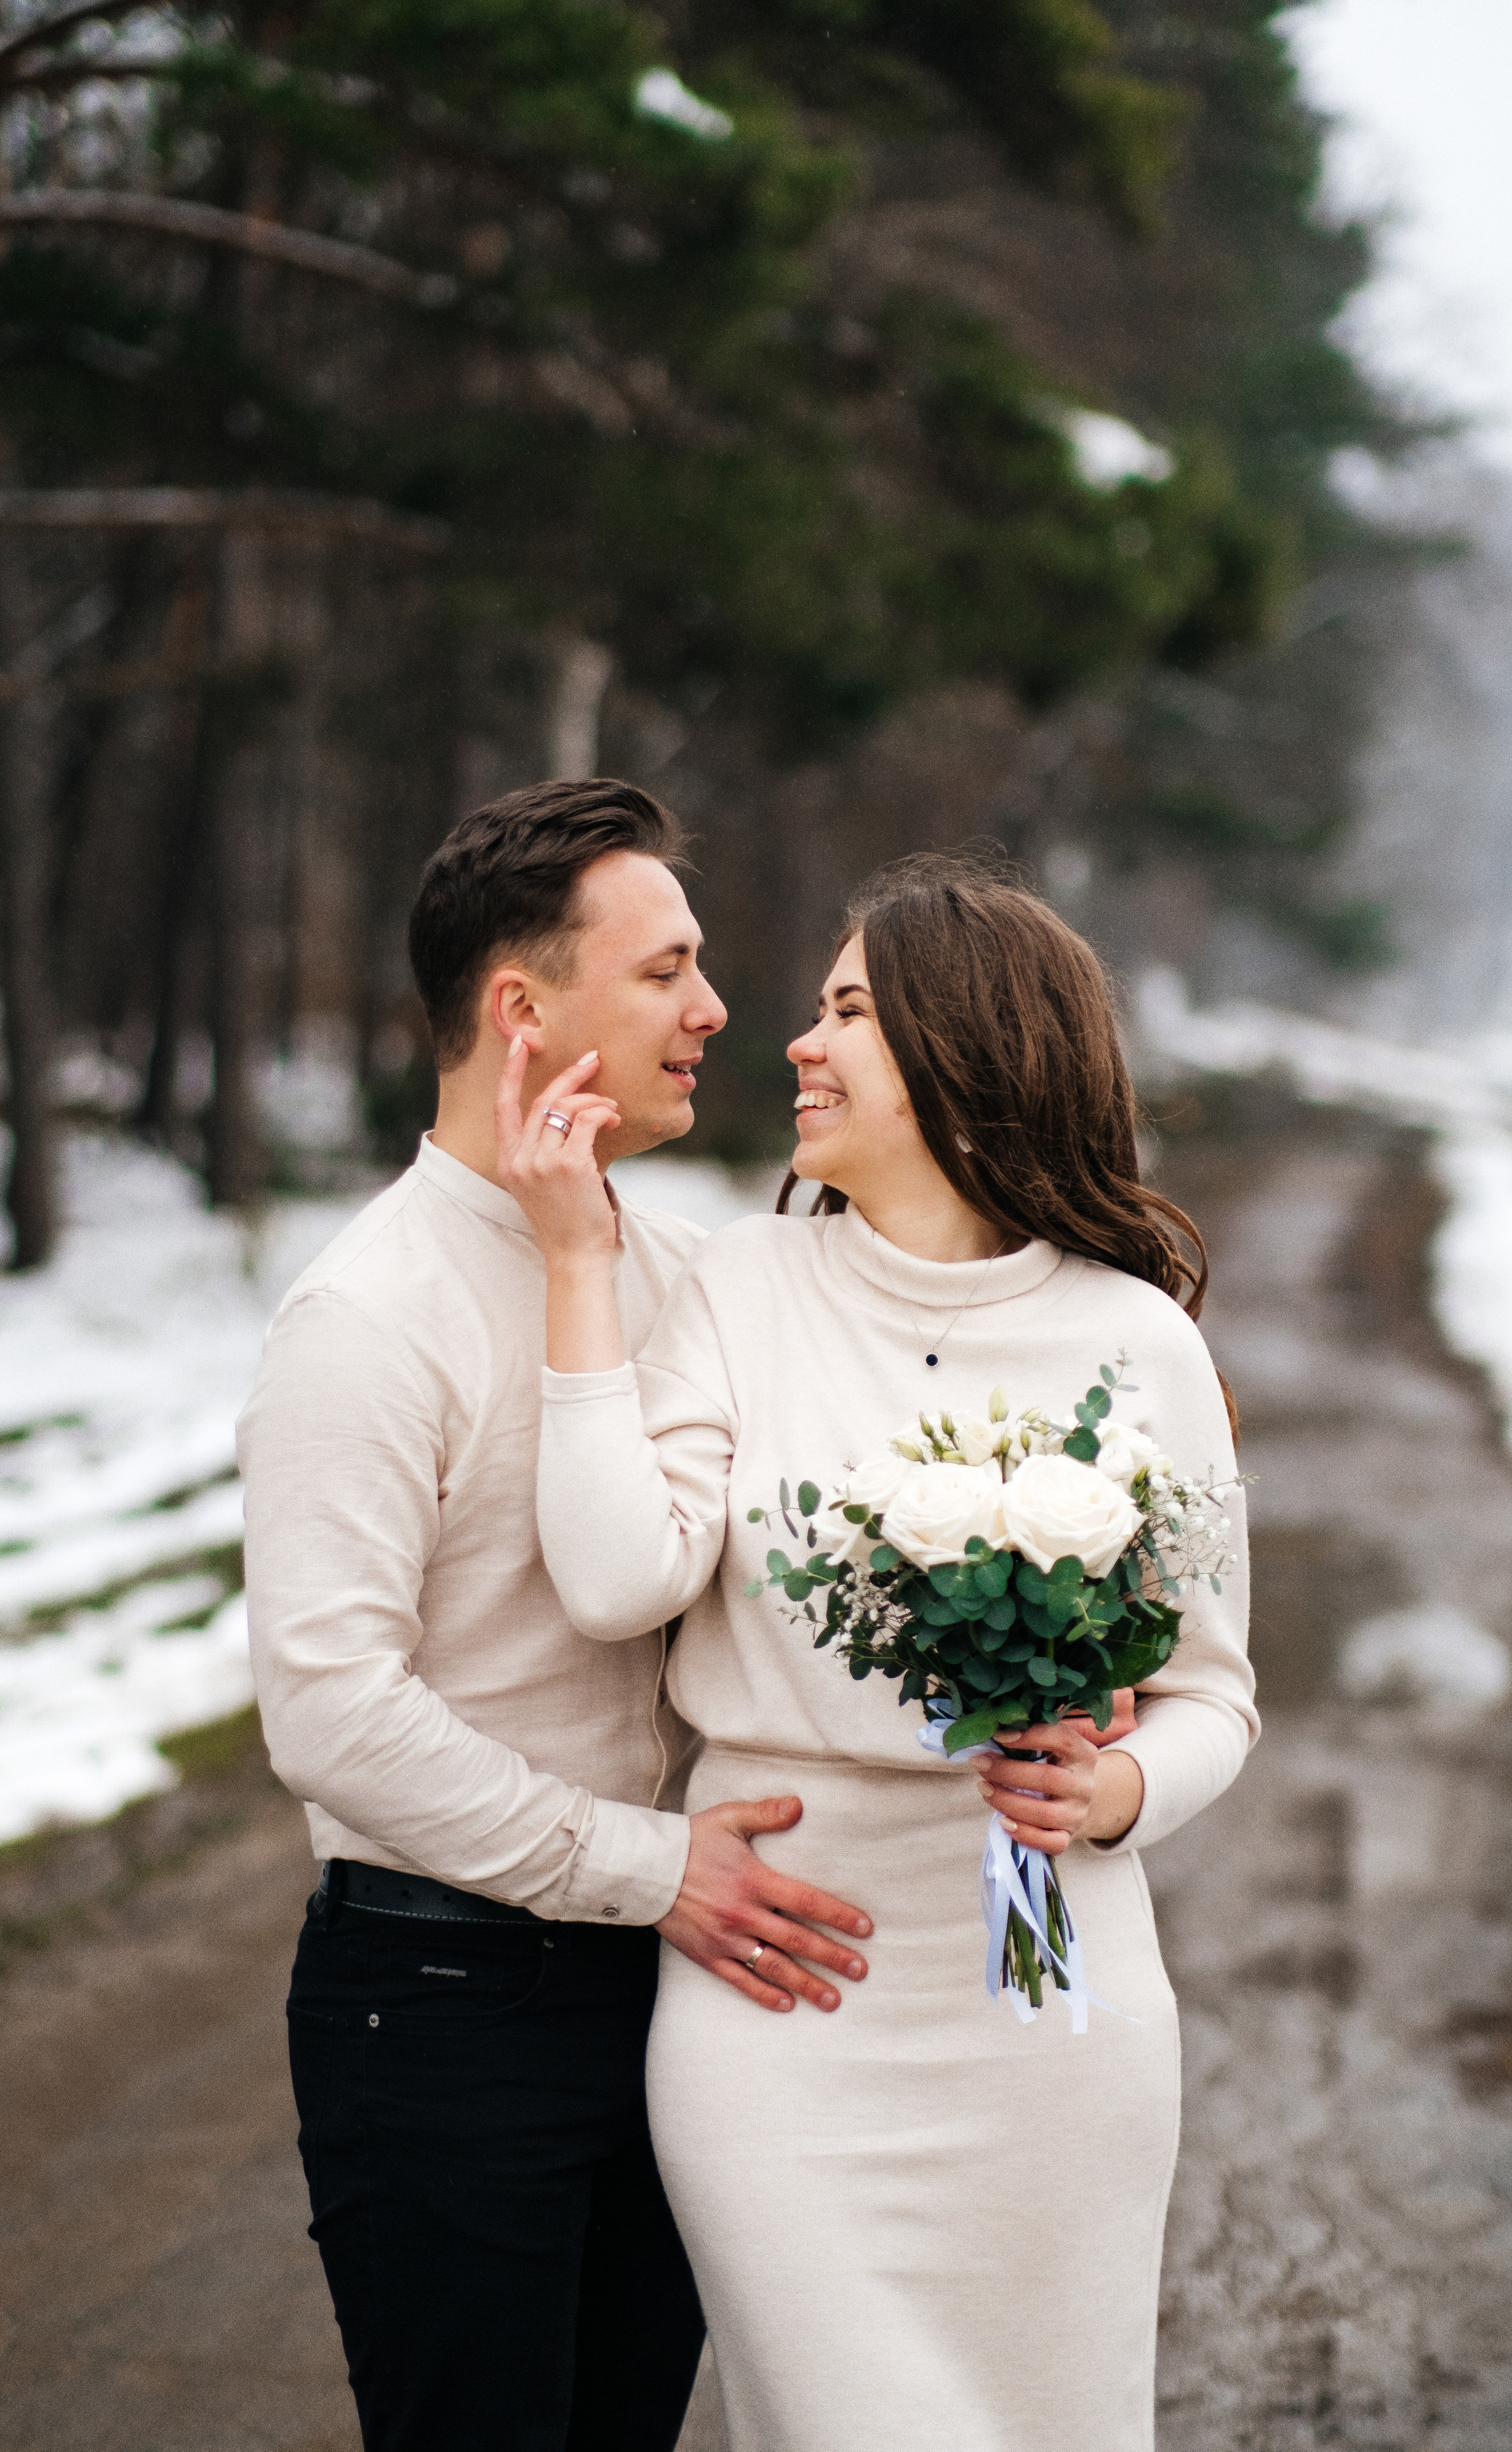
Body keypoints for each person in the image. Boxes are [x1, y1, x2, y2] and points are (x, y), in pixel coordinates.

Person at [500, 851, 1258, 2452]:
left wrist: (1113, 1790)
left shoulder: (1137, 1343)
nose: (797, 1039)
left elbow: (1213, 1695)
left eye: (846, 1007)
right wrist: (577, 1264)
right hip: (785, 2007)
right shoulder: (742, 1285)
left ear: (962, 1047)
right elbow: (614, 1576)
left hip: (1050, 2016)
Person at [236, 779, 878, 2452]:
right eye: (668, 969)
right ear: (524, 1011)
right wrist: (655, 1870)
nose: (717, 1011)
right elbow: (329, 1711)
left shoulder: (674, 1276)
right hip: (441, 2016)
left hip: (665, 2010)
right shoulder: (363, 1318)